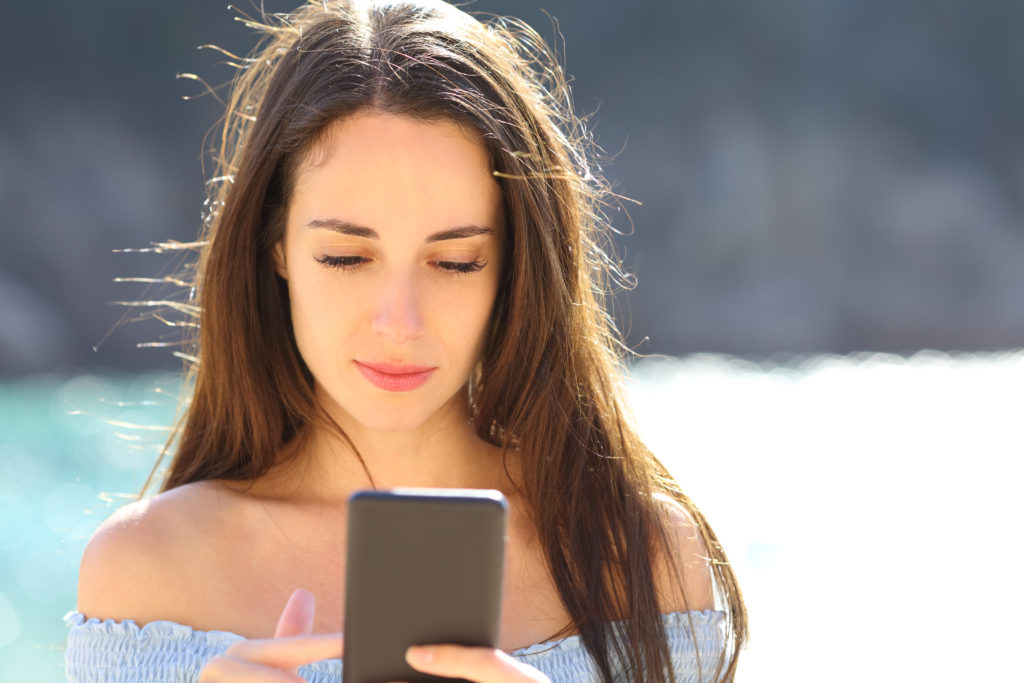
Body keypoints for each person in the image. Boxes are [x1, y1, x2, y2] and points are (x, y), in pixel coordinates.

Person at [65, 1, 747, 681]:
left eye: (454, 262)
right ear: (274, 247)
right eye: (345, 257)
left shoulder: (641, 555)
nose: (400, 321)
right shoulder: (144, 571)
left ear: (515, 267)